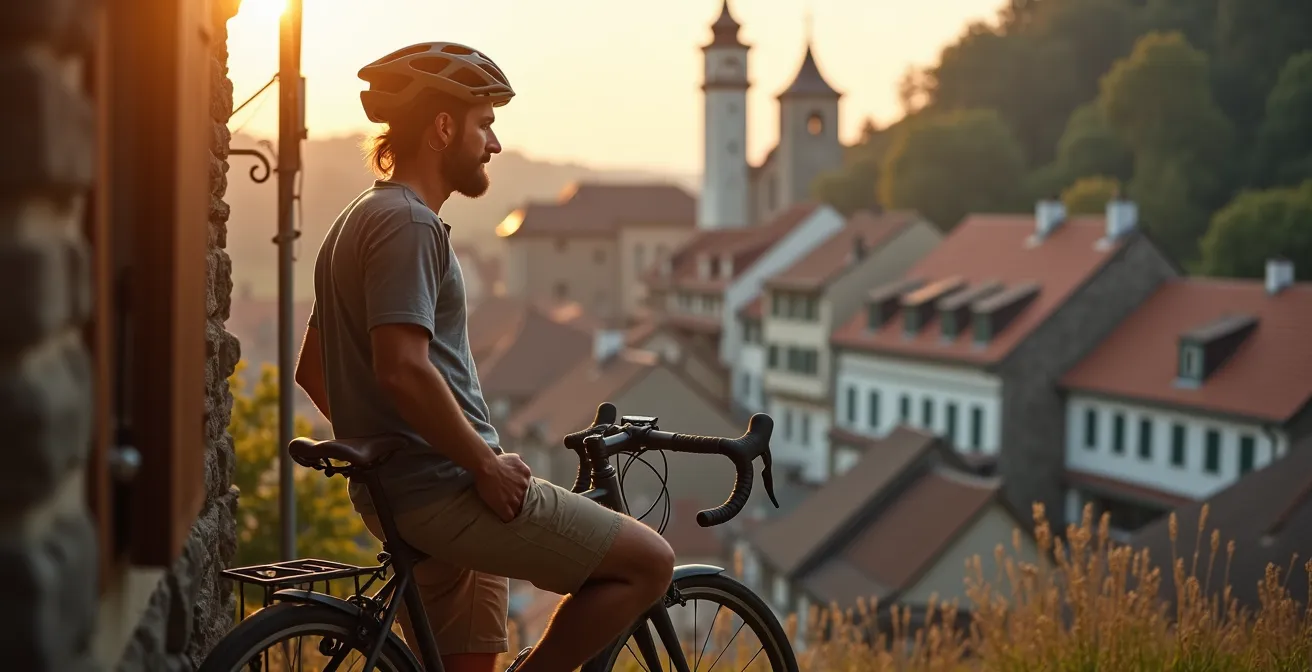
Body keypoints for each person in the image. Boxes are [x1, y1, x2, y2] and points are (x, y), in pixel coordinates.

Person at [293, 42, 675, 672]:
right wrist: (482, 466)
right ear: (443, 127)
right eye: (485, 124)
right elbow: (402, 367)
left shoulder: (358, 219)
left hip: (419, 487)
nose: (493, 144)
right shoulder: (407, 224)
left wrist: (385, 452)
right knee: (650, 563)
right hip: (454, 490)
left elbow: (315, 368)